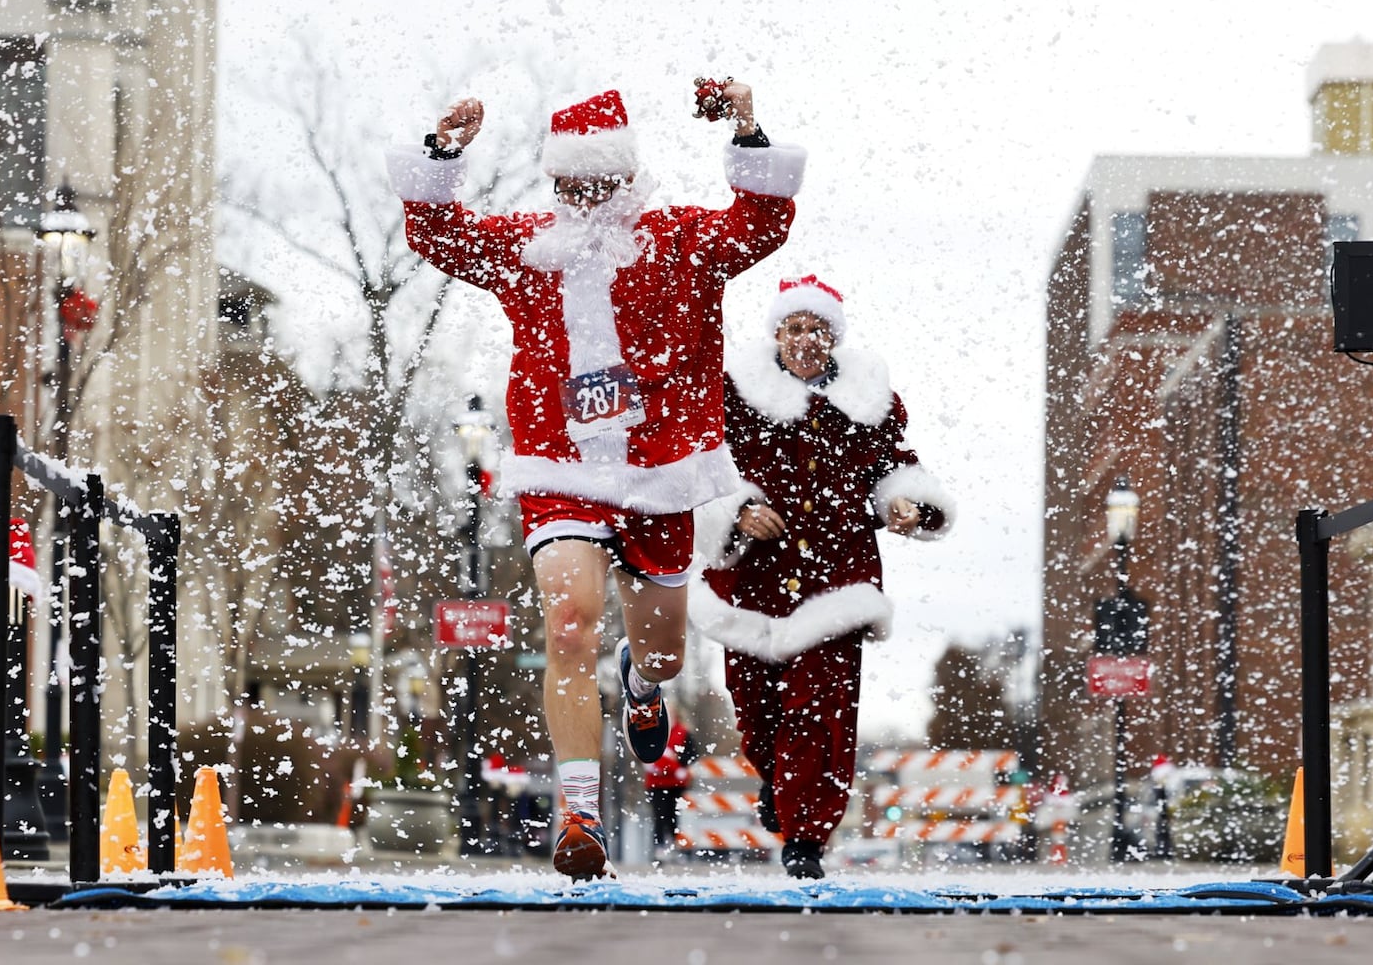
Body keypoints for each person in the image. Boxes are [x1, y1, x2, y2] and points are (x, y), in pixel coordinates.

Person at [387, 83, 806, 879]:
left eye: (596, 183)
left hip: (659, 472)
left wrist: (748, 126)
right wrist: (444, 151)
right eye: (567, 184)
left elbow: (760, 223)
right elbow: (439, 235)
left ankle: (640, 690)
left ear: (625, 180)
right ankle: (578, 814)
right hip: (560, 466)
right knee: (570, 626)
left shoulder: (682, 240)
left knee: (659, 655)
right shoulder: (527, 247)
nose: (581, 199)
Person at [689, 275, 954, 879]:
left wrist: (906, 503)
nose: (807, 339)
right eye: (796, 327)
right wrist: (738, 508)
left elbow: (898, 468)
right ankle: (776, 779)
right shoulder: (732, 396)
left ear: (835, 338)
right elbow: (705, 468)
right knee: (755, 710)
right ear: (776, 334)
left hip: (837, 578)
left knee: (822, 710)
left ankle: (806, 833)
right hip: (752, 584)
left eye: (819, 329)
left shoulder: (866, 405)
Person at [644, 708, 697, 857]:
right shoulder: (653, 731)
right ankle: (659, 846)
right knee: (659, 815)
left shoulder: (684, 733)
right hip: (656, 783)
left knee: (673, 814)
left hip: (676, 783)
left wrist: (680, 766)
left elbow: (691, 754)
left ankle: (674, 844)